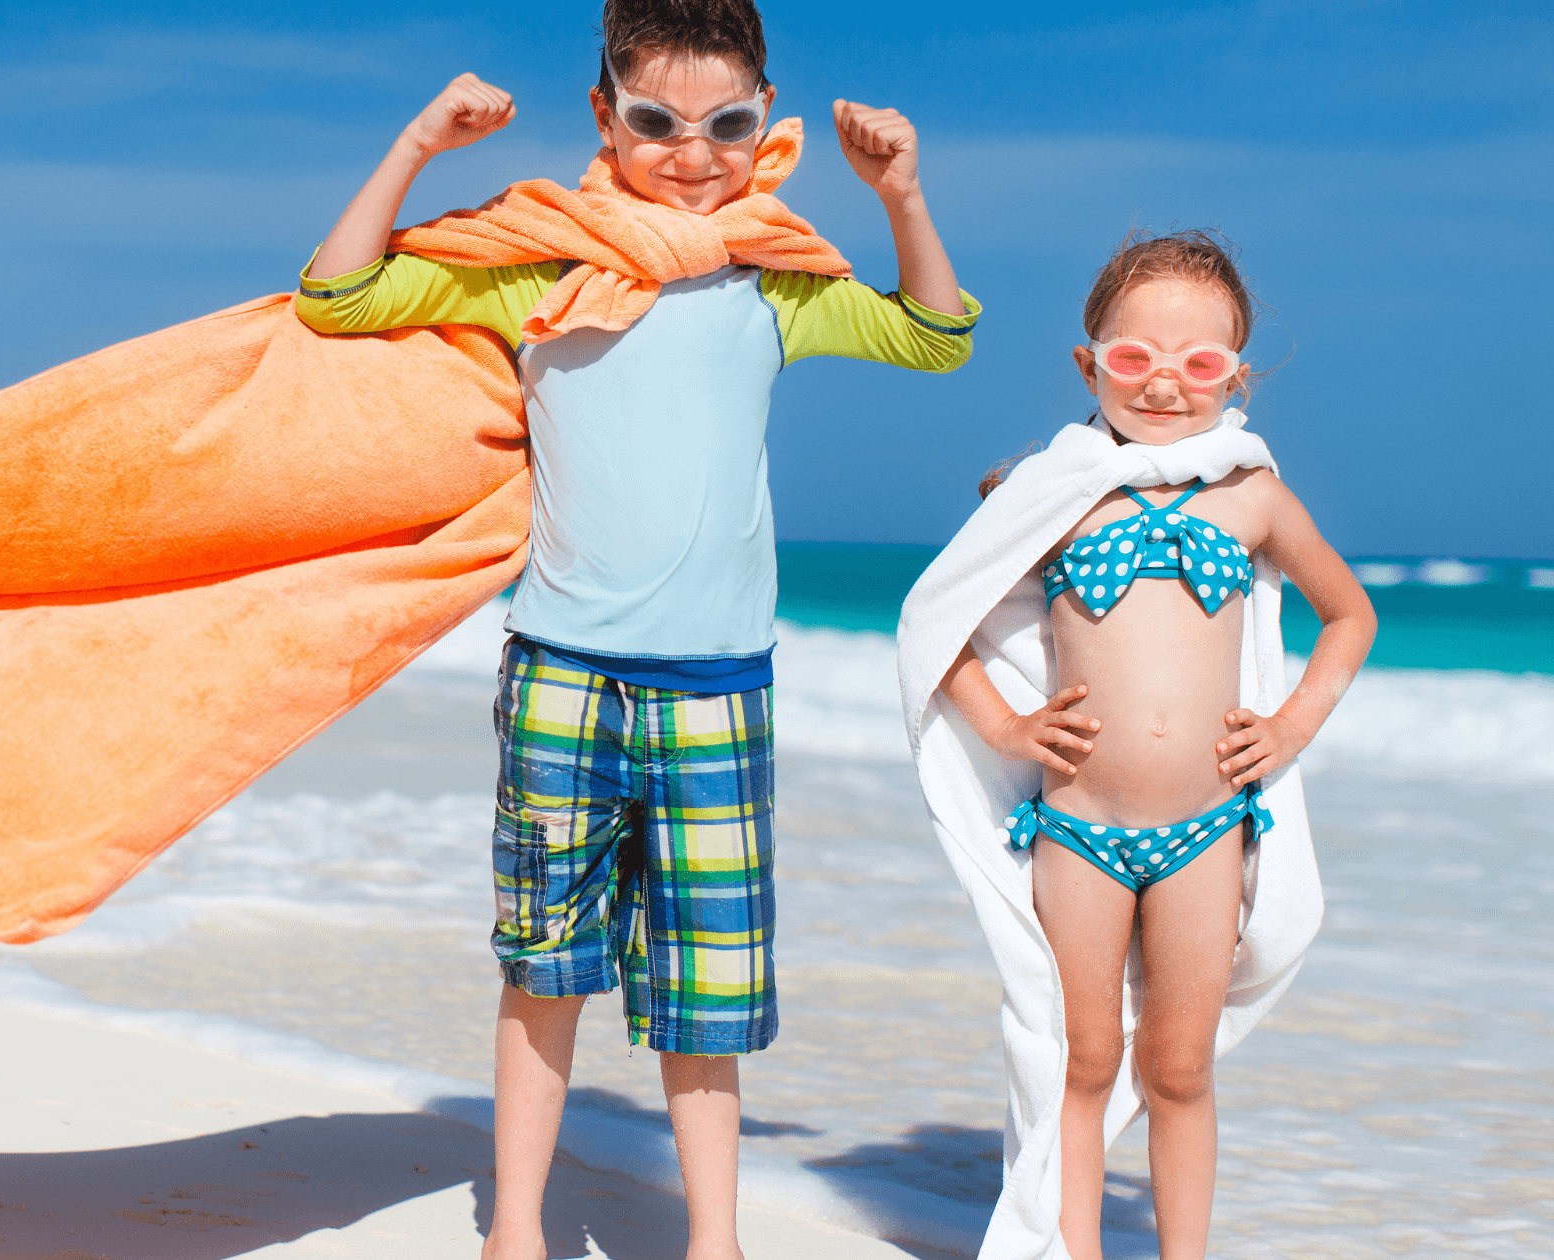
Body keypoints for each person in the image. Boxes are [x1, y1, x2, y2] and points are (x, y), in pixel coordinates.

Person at [295, 1, 979, 1255]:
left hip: (718, 685)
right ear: (604, 115)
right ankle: (515, 1228)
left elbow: (933, 338)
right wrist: (413, 147)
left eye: (724, 123)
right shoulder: (532, 262)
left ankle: (709, 1239)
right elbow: (339, 295)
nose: (691, 149)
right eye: (656, 120)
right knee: (540, 969)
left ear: (762, 118)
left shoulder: (772, 279)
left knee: (705, 996)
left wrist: (902, 196)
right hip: (562, 672)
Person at [930, 232, 1375, 1260]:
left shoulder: (1251, 498)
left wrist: (1287, 729)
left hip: (1206, 829)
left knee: (1179, 1069)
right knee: (1079, 1061)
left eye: (1198, 363)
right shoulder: (1048, 494)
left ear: (1237, 376)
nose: (1165, 384)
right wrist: (1004, 726)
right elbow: (938, 623)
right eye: (1134, 359)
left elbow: (1347, 615)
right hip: (1078, 824)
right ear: (1088, 366)